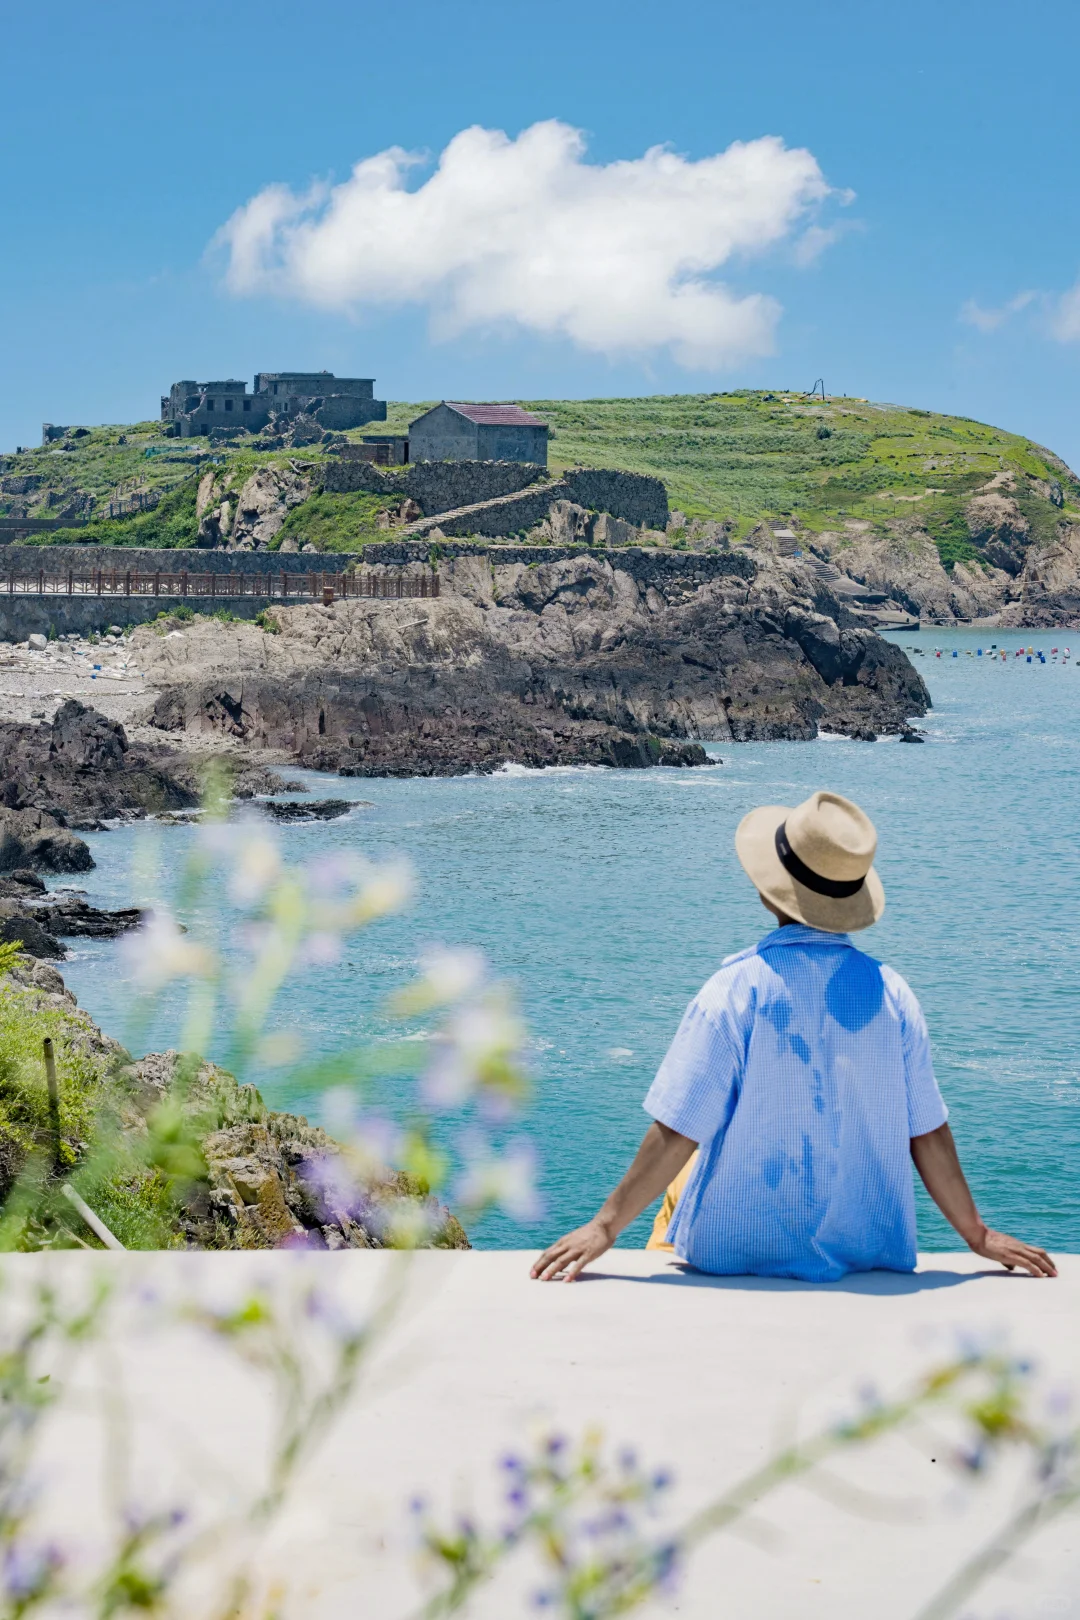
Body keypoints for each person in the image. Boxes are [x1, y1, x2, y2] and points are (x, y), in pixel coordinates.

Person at [531, 791, 1056, 1284]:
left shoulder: (734, 991)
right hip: (866, 1255)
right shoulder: (892, 994)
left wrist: (603, 1226)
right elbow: (928, 1132)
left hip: (735, 1256)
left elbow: (678, 1129)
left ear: (768, 891)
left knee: (686, 1174)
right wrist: (976, 1234)